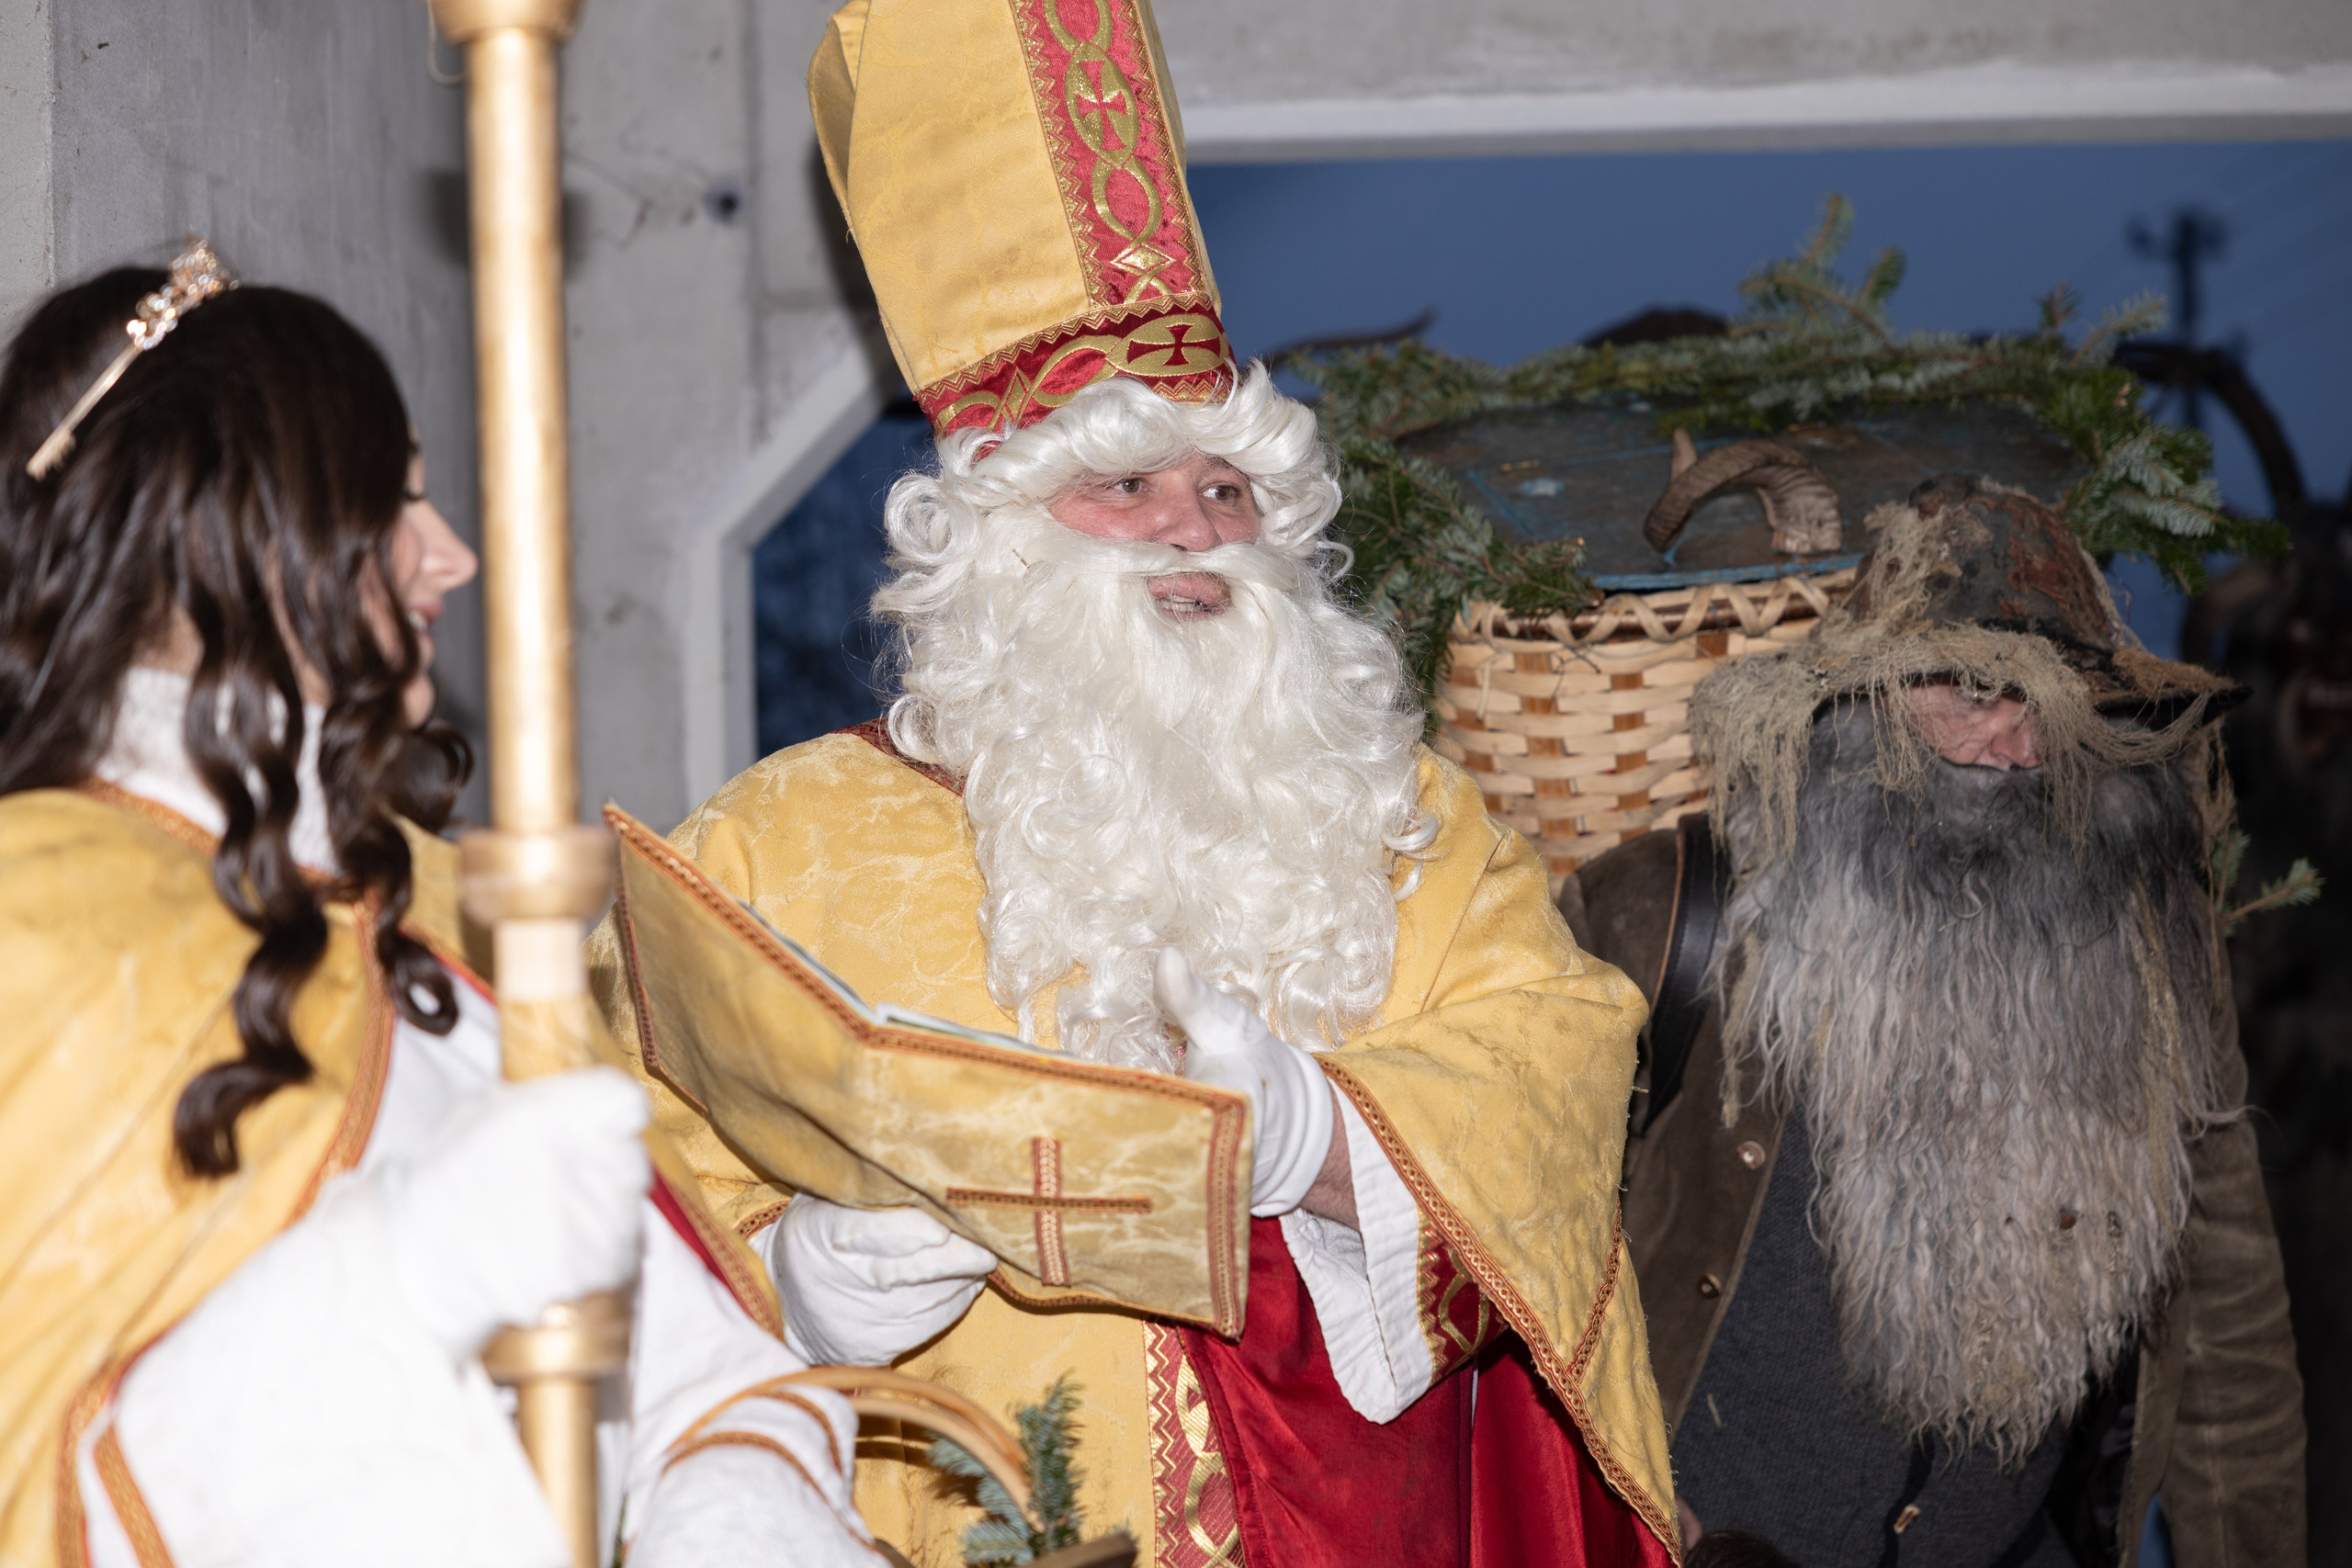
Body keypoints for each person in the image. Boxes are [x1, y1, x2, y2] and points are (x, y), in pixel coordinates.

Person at [588, 4, 1679, 1564]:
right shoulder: (768, 851)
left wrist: (1320, 1136)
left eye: (1226, 486)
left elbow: (1564, 1055)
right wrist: (786, 1283)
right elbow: (591, 1206)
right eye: (1125, 486)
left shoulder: (1403, 816)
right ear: (995, 542)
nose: (1193, 528)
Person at [0, 254, 879, 1567]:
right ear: (231, 518)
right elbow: (52, 1482)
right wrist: (401, 1276)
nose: (452, 555)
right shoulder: (34, 914)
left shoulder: (461, 922)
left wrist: (733, 1501)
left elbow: (707, 1372)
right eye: (396, 496)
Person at [1564, 475, 2307, 1567]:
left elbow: (2228, 1338)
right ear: (1853, 701)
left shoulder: (2150, 958)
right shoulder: (1660, 916)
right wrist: (1584, 1485)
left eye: (2043, 704)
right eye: (1959, 690)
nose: (1999, 746)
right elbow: (1489, 1235)